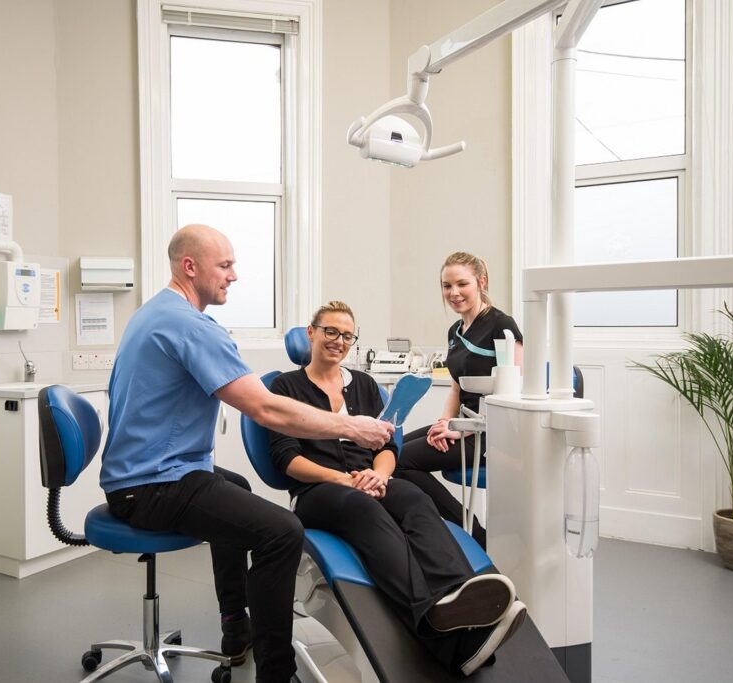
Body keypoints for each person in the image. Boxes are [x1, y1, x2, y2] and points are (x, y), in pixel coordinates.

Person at [99, 224, 395, 683]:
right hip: (153, 485)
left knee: (232, 488)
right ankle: (276, 672)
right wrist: (349, 425)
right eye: (225, 265)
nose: (234, 275)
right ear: (189, 266)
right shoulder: (188, 325)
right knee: (281, 531)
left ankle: (235, 622)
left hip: (143, 475)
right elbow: (264, 408)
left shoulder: (154, 312)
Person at [268, 300, 527, 676]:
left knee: (415, 498)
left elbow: (389, 446)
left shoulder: (365, 386)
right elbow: (286, 459)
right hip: (319, 491)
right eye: (330, 332)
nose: (339, 341)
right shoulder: (285, 386)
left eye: (347, 335)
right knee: (368, 511)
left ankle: (460, 598)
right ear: (311, 333)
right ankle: (436, 629)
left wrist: (381, 475)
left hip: (370, 479)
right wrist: (345, 479)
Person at [394, 252, 523, 549]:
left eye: (462, 284)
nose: (453, 293)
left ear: (481, 282)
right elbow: (456, 389)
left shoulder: (501, 325)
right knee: (391, 448)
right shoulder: (455, 331)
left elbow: (513, 393)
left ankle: (472, 534)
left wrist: (460, 429)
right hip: (461, 422)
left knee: (399, 463)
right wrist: (444, 422)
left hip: (489, 431)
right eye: (446, 285)